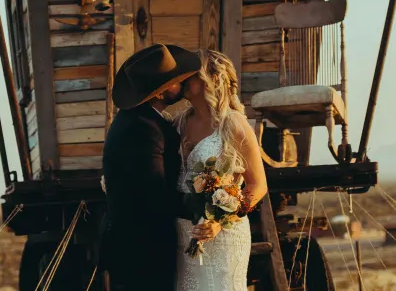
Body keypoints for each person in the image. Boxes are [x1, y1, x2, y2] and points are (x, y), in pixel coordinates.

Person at [100, 44, 219, 291]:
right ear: (162, 92)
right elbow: (154, 194)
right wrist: (209, 207)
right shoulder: (145, 128)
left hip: (135, 242)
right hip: (142, 248)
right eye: (175, 80)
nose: (182, 82)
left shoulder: (140, 119)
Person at [174, 50, 269, 291]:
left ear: (213, 79)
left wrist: (220, 220)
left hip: (224, 236)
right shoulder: (178, 123)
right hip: (184, 232)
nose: (183, 79)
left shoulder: (233, 124)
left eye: (192, 74)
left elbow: (258, 185)